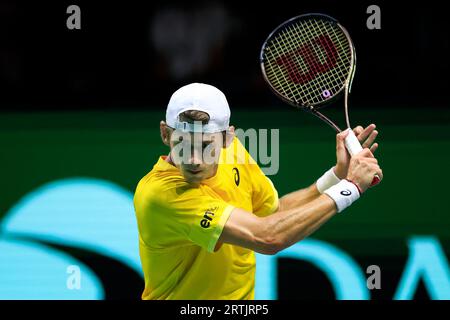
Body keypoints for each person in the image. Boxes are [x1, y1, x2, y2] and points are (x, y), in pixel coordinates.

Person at [133, 82, 382, 300]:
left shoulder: (235, 153)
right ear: (165, 133)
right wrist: (350, 188)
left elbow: (273, 214)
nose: (195, 159)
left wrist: (338, 176)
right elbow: (267, 237)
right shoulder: (161, 195)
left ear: (228, 138)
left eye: (206, 146)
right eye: (183, 144)